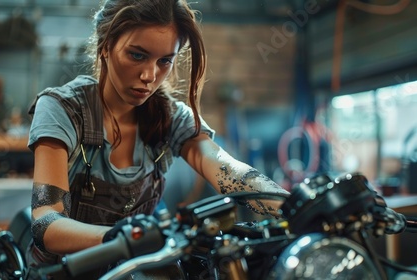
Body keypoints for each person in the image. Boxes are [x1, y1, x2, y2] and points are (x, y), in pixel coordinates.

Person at [26, 0, 289, 278]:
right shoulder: (62, 108)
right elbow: (47, 223)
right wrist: (126, 240)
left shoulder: (171, 116)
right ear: (105, 46)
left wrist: (295, 206)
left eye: (164, 60)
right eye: (137, 55)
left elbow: (227, 169)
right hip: (61, 273)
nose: (150, 76)